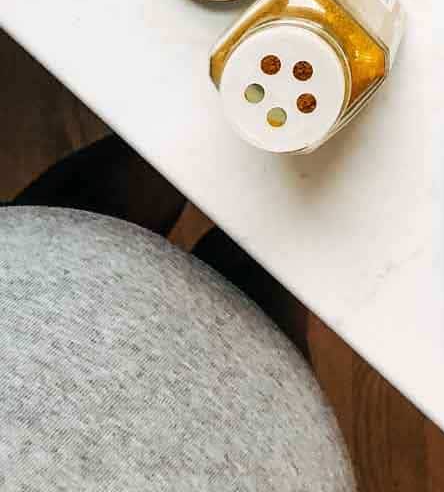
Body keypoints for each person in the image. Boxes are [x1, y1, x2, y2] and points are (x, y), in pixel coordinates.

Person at [0, 139, 354, 492]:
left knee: (168, 161)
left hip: (43, 277)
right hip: (266, 431)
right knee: (285, 244)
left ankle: (193, 154)